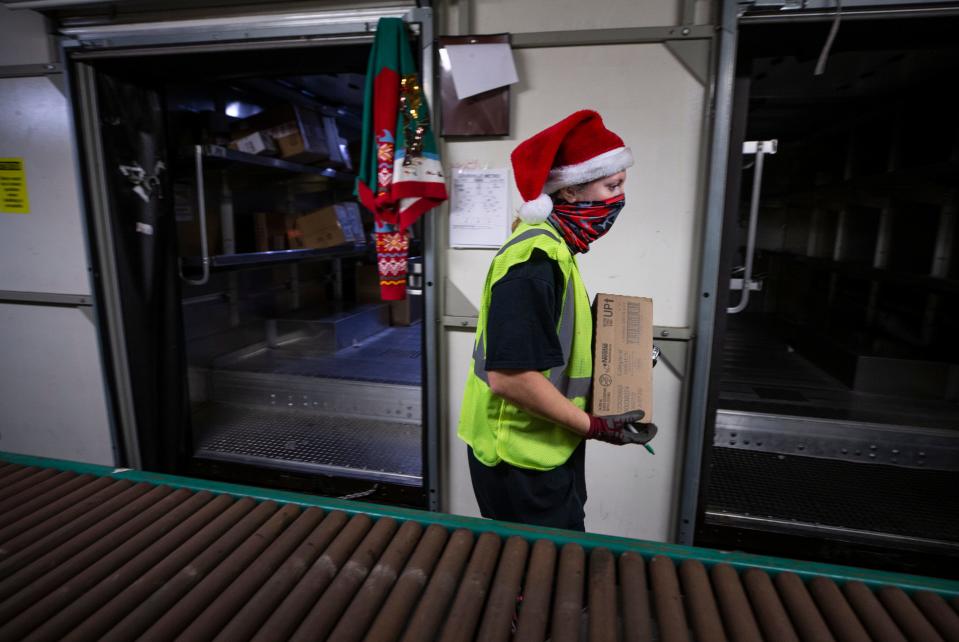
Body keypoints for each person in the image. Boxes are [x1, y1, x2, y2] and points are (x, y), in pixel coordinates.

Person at [457, 110, 657, 532]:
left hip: (544, 446)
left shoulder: (558, 250)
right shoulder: (535, 260)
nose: (619, 199)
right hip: (519, 458)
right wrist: (596, 427)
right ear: (568, 192)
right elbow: (510, 378)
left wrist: (623, 355)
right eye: (612, 185)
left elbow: (551, 344)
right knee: (543, 579)